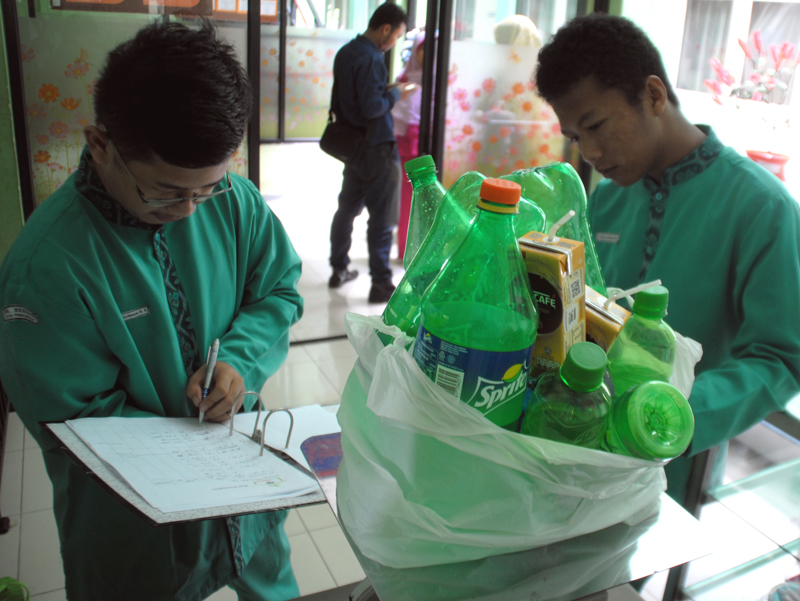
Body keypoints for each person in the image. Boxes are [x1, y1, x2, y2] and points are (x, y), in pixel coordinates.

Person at [0, 21, 303, 601]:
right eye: (165, 192)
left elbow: (277, 292)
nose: (190, 211)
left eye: (207, 188)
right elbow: (73, 424)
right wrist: (194, 451)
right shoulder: (47, 270)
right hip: (135, 519)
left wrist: (237, 362)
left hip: (246, 479)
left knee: (273, 584)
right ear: (99, 143)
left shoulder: (232, 201)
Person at [535, 13, 800, 509]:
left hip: (674, 458)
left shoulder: (761, 207)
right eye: (575, 136)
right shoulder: (609, 200)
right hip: (576, 444)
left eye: (596, 126)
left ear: (653, 96)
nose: (589, 152)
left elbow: (781, 358)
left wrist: (671, 411)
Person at [328, 2, 410, 303]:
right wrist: (399, 92)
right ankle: (381, 284)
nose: (393, 44)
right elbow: (373, 106)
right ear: (386, 28)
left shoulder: (347, 52)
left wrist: (384, 90)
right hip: (377, 148)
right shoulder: (373, 57)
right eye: (396, 36)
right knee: (381, 218)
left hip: (354, 148)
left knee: (346, 210)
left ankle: (338, 268)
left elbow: (352, 99)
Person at [392, 29, 425, 262]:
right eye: (422, 51)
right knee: (409, 200)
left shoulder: (442, 80)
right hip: (408, 149)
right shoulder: (405, 79)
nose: (426, 56)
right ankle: (407, 249)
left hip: (433, 147)